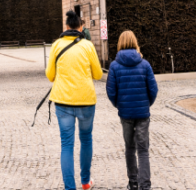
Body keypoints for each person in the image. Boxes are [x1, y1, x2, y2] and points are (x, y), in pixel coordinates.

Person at [46, 10, 103, 190]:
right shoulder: (87, 46)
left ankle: (70, 187)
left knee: (67, 145)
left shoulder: (56, 45)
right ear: (80, 27)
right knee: (86, 139)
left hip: (63, 101)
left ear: (66, 27)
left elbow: (50, 75)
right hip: (85, 100)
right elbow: (98, 74)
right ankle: (85, 181)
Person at [106, 30, 158, 190]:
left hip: (126, 113)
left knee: (129, 147)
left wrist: (119, 105)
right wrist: (146, 104)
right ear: (135, 43)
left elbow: (111, 91)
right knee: (143, 150)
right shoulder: (145, 64)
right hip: (142, 113)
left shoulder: (114, 66)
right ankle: (145, 185)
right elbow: (153, 89)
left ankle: (133, 182)